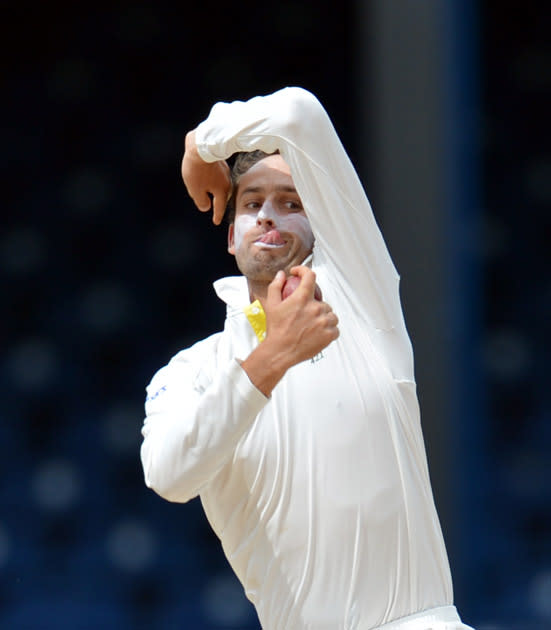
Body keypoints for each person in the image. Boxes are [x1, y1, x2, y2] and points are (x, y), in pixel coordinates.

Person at [140, 87, 474, 630]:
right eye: (251, 204)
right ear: (231, 237)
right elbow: (169, 475)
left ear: (322, 230)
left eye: (292, 203)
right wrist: (271, 358)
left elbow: (297, 112)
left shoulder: (363, 302)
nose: (269, 216)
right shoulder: (190, 371)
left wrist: (202, 143)